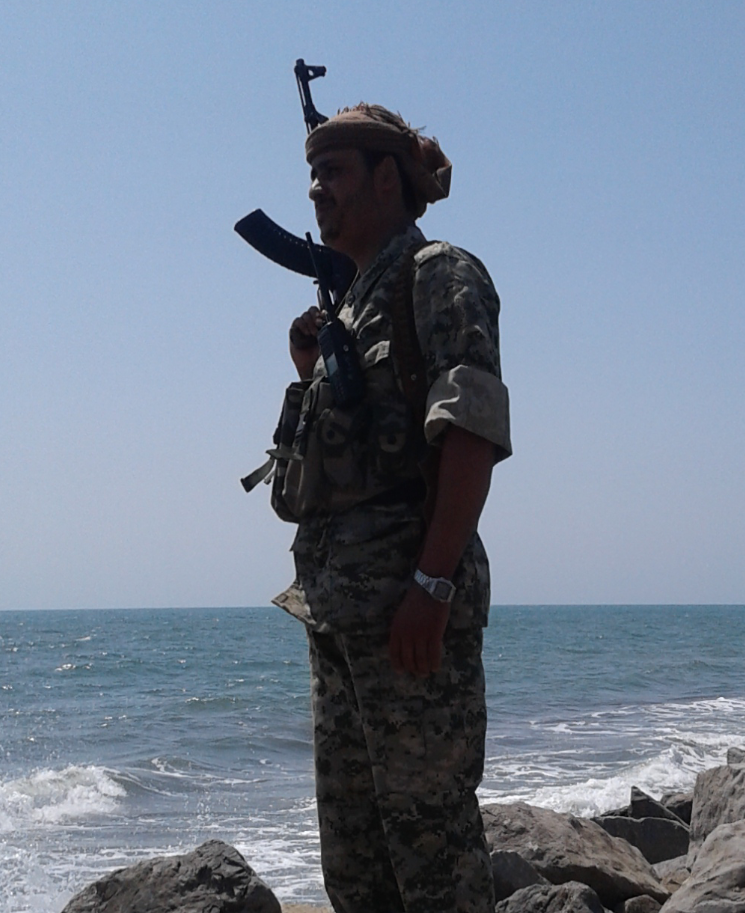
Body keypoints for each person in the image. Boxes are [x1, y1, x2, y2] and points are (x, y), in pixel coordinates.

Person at [266, 103, 512, 913]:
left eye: (333, 172)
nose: (316, 191)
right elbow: (319, 479)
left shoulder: (437, 275)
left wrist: (432, 585)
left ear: (385, 178)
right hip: (339, 619)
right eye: (312, 175)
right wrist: (310, 374)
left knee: (432, 852)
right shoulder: (350, 308)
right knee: (356, 859)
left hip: (410, 614)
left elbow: (471, 431)